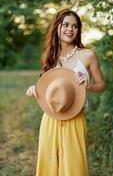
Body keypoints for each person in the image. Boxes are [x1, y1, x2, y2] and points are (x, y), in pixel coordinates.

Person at [26, 9, 106, 176]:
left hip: (76, 118)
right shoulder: (50, 55)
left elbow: (101, 84)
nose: (70, 29)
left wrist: (88, 86)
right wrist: (36, 90)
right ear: (57, 27)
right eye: (66, 25)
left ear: (78, 31)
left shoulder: (88, 55)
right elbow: (48, 87)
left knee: (74, 167)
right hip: (50, 118)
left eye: (75, 26)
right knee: (48, 165)